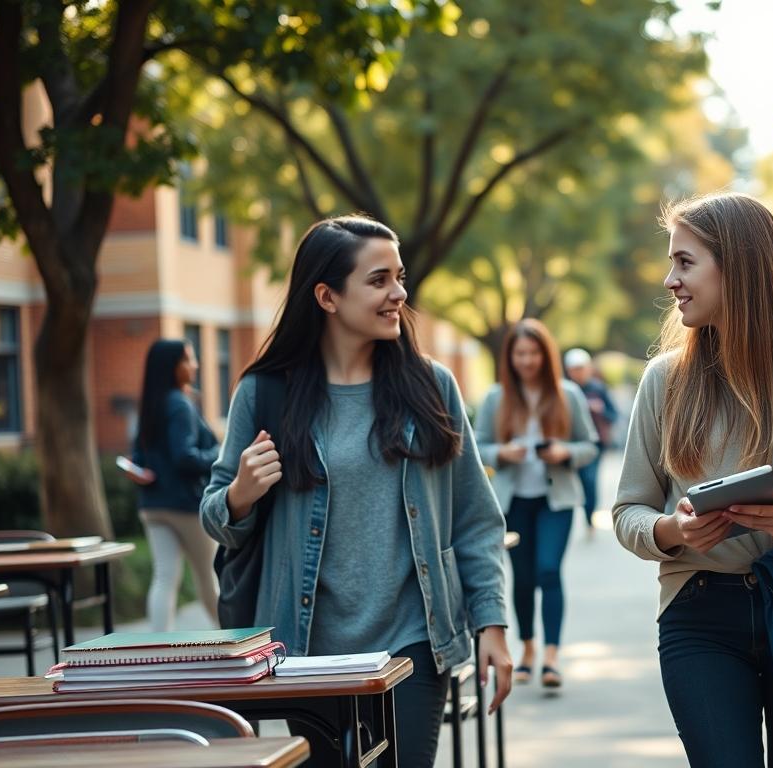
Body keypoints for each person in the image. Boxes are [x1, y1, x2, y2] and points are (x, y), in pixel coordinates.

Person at [200, 215, 512, 767]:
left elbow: (474, 518)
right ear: (327, 296)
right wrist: (242, 493)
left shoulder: (432, 386)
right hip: (306, 650)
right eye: (379, 280)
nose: (399, 294)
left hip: (414, 643)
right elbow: (216, 512)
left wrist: (492, 622)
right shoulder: (266, 392)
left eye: (400, 276)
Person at [613, 192, 773, 768]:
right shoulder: (664, 379)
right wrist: (672, 532)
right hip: (698, 614)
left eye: (685, 262)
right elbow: (628, 511)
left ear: (740, 266)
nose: (669, 278)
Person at [475, 320, 598, 689]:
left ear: (546, 356)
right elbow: (476, 446)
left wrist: (564, 452)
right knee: (524, 578)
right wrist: (501, 453)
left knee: (548, 571)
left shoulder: (568, 394)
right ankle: (527, 648)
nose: (527, 360)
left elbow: (590, 445)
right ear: (509, 358)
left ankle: (551, 657)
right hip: (514, 503)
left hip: (556, 500)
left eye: (533, 353)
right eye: (520, 353)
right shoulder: (496, 397)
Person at [127, 339, 221, 632]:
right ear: (173, 367)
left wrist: (138, 471)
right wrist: (221, 451)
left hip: (154, 505)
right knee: (209, 577)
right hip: (186, 505)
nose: (195, 365)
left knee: (165, 577)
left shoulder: (151, 404)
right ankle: (238, 639)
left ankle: (156, 648)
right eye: (188, 360)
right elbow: (185, 457)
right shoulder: (180, 404)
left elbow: (139, 457)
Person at [563, 347, 618, 534]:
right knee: (575, 482)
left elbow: (613, 414)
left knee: (589, 480)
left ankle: (589, 517)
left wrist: (599, 409)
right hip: (570, 445)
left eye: (581, 368)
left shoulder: (597, 388)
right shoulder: (565, 391)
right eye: (574, 368)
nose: (578, 372)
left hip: (595, 444)